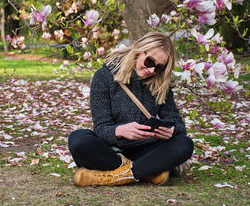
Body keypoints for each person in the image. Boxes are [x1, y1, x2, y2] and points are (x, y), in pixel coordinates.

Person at [68, 32, 194, 187]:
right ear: (139, 50)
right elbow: (101, 128)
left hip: (148, 150)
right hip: (113, 151)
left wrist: (172, 131)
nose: (152, 70)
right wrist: (120, 131)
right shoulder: (104, 76)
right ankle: (147, 172)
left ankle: (116, 176)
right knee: (79, 140)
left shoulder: (160, 83)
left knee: (184, 144)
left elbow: (177, 124)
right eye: (149, 62)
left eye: (159, 67)